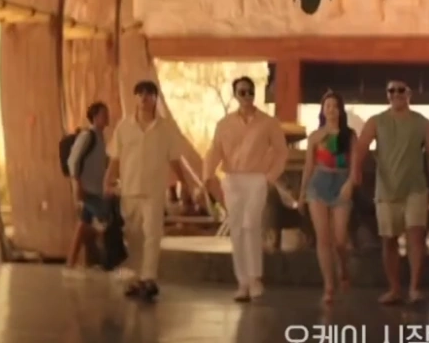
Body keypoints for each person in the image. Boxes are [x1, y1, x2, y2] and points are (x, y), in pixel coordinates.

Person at [354, 79, 429, 305]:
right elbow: (361, 147)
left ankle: (414, 288)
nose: (396, 94)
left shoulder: (423, 123)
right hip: (386, 189)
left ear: (409, 93)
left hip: (415, 188)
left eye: (400, 90)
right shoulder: (376, 121)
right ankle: (394, 288)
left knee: (416, 237)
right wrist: (355, 172)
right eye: (391, 90)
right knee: (389, 240)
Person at [204, 76, 288, 302]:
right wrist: (207, 175)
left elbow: (281, 152)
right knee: (237, 229)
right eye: (242, 92)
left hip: (257, 179)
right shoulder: (224, 124)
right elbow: (215, 150)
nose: (247, 96)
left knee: (251, 225)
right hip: (232, 180)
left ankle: (255, 278)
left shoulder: (268, 123)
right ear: (235, 95)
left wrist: (269, 178)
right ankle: (242, 281)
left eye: (250, 91)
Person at [104, 81, 190, 301]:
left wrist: (185, 185)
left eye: (149, 94)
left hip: (154, 189)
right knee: (133, 235)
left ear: (155, 98)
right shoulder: (124, 127)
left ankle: (149, 278)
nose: (144, 98)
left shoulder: (166, 128)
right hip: (130, 188)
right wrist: (108, 181)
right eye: (140, 93)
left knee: (153, 234)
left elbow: (175, 159)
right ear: (135, 98)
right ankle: (137, 278)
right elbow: (115, 158)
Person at [299, 91, 356, 305]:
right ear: (323, 111)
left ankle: (343, 268)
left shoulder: (349, 135)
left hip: (341, 183)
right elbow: (308, 166)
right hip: (318, 184)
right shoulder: (315, 136)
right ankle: (329, 286)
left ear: (341, 110)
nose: (331, 109)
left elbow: (355, 165)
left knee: (340, 239)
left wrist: (350, 184)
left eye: (335, 106)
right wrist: (302, 194)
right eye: (327, 106)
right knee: (323, 238)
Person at [64, 101, 110, 276]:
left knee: (83, 225)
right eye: (104, 114)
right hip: (87, 190)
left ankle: (70, 263)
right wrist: (78, 185)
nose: (107, 117)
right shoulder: (87, 136)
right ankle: (108, 262)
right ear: (95, 117)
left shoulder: (101, 137)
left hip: (96, 188)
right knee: (107, 221)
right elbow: (73, 161)